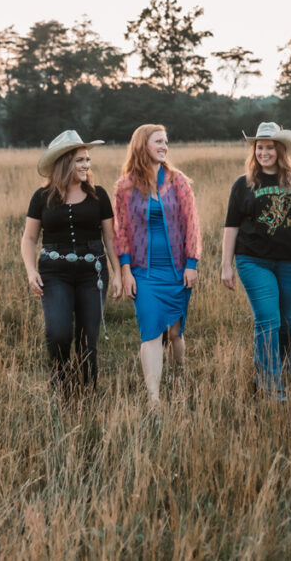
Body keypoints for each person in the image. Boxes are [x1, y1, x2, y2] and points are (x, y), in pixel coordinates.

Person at [221, 122, 291, 400]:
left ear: (281, 150)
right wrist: (226, 265)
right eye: (260, 147)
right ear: (255, 150)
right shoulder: (243, 184)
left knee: (285, 317)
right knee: (267, 319)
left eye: (270, 147)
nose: (264, 152)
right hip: (253, 261)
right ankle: (270, 383)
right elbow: (231, 227)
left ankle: (287, 366)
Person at [20, 130, 120, 393]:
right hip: (54, 273)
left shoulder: (99, 195)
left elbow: (110, 238)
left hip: (93, 273)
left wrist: (119, 273)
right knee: (59, 333)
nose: (86, 165)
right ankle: (62, 386)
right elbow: (29, 239)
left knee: (88, 340)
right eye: (80, 160)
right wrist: (31, 272)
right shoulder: (42, 197)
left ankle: (87, 393)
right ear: (65, 163)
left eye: (87, 160)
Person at [113, 124, 201, 405]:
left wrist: (191, 263)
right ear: (142, 146)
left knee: (174, 333)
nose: (164, 146)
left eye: (166, 141)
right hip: (143, 273)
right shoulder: (125, 186)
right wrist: (125, 270)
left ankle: (178, 374)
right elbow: (121, 231)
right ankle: (154, 400)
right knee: (151, 330)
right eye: (158, 141)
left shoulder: (178, 182)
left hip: (177, 270)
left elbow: (192, 224)